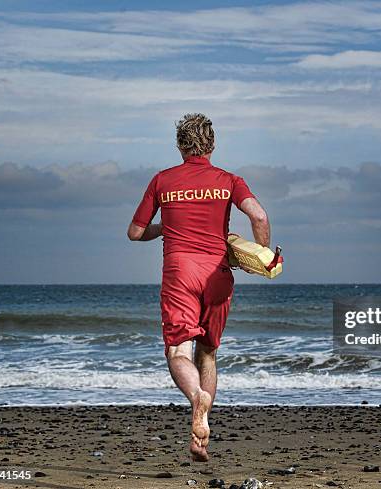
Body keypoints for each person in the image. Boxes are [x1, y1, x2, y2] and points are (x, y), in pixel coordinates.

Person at [127, 113, 270, 462]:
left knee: (179, 353)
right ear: (212, 144)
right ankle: (200, 438)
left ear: (179, 145)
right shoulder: (229, 180)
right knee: (207, 353)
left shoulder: (162, 181)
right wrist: (263, 256)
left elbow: (134, 232)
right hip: (218, 272)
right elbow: (259, 216)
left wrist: (162, 228)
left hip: (180, 272)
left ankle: (196, 399)